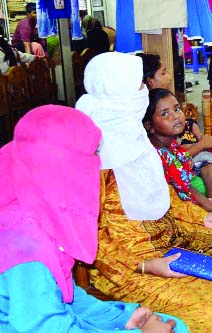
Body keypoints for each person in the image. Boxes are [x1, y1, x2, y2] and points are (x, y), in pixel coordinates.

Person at [75, 52, 212, 333]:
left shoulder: (135, 137)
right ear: (119, 94)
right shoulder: (95, 158)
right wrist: (148, 265)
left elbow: (167, 197)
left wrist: (204, 219)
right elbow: (92, 240)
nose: (143, 92)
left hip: (168, 236)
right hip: (126, 268)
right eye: (138, 85)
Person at [0, 105, 188, 333]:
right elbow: (45, 326)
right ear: (59, 165)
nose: (93, 169)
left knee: (173, 324)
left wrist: (123, 317)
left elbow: (64, 293)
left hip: (49, 319)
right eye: (88, 158)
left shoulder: (34, 204)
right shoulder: (25, 243)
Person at [144, 88, 212, 230]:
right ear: (149, 126)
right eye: (165, 114)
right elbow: (179, 199)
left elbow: (188, 187)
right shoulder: (158, 156)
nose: (175, 116)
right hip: (180, 216)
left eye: (176, 109)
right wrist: (211, 209)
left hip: (189, 205)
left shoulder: (172, 145)